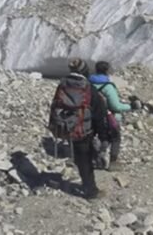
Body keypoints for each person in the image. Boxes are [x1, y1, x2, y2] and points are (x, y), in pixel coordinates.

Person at [49, 58, 108, 199]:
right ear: (84, 71)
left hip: (66, 127)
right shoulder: (88, 88)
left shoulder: (62, 85)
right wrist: (103, 136)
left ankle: (87, 182)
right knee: (86, 160)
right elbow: (99, 114)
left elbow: (55, 105)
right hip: (84, 130)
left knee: (80, 157)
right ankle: (91, 191)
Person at [89, 61, 139, 170]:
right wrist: (131, 106)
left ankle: (96, 158)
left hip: (92, 117)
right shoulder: (108, 87)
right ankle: (113, 162)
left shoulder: (88, 84)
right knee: (115, 138)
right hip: (108, 117)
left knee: (100, 137)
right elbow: (116, 106)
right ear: (106, 71)